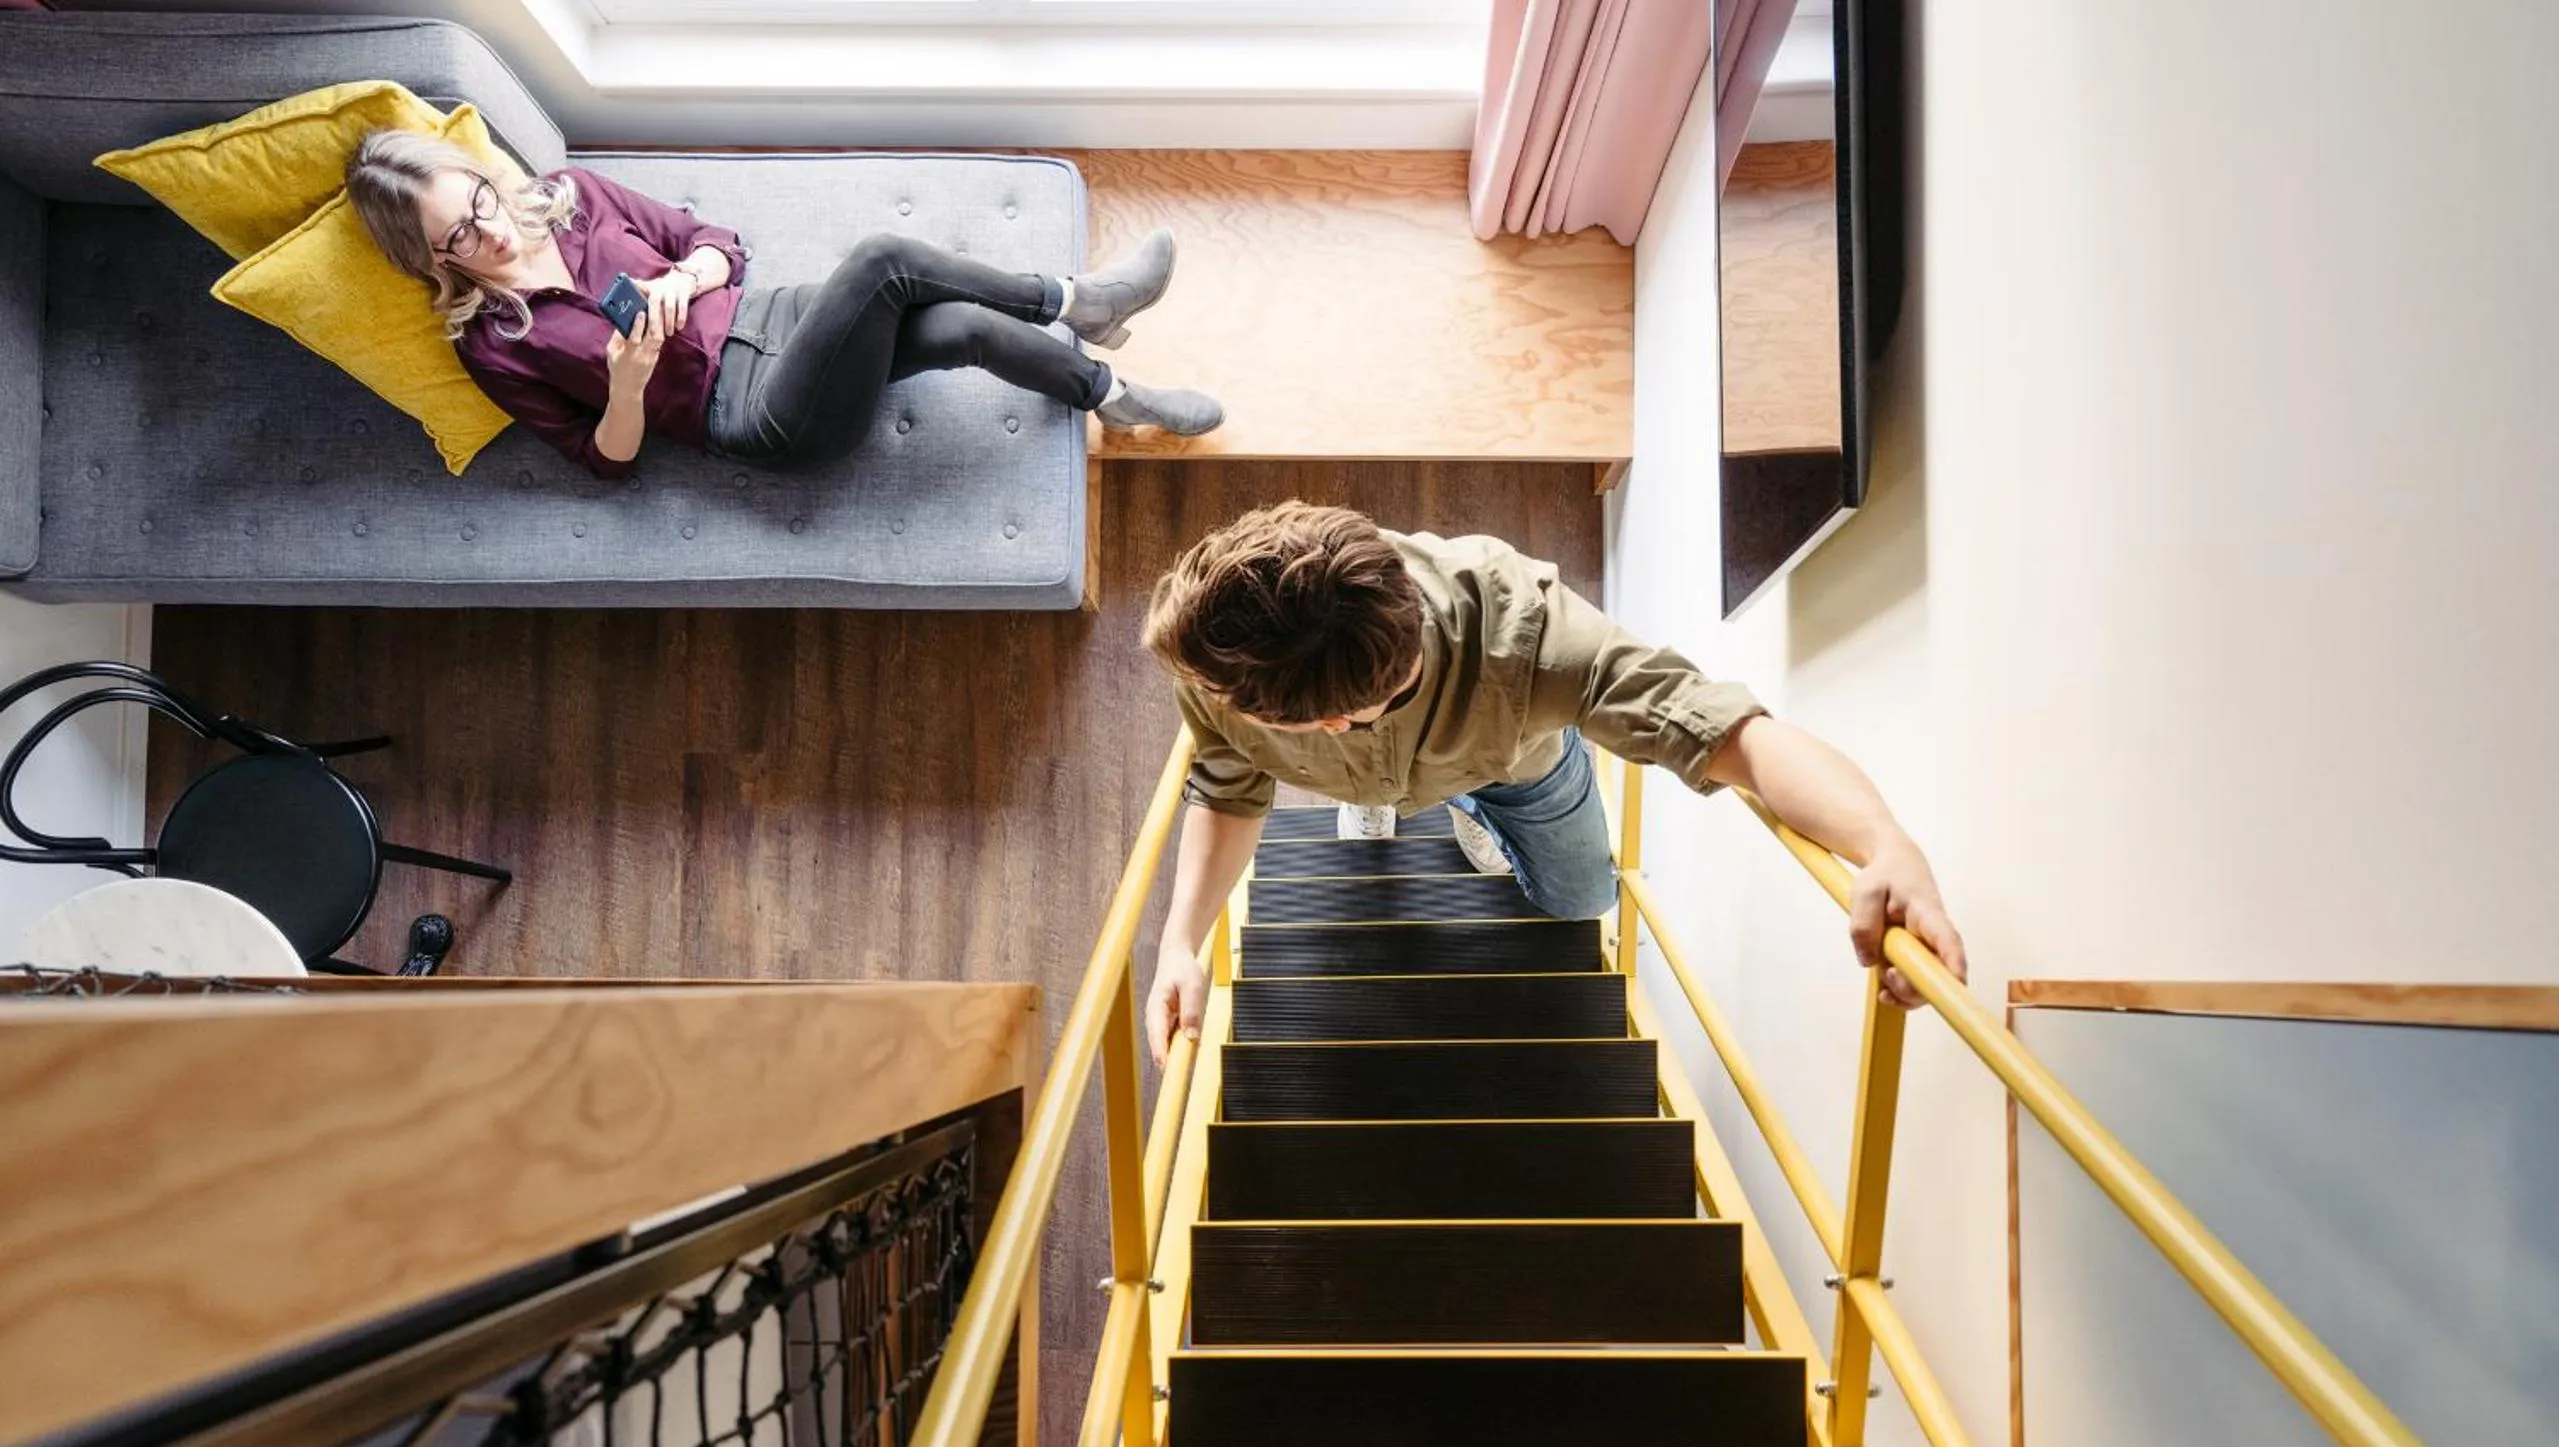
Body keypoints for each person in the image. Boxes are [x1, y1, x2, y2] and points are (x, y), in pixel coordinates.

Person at [1138, 501, 1968, 1062]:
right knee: (1372, 797)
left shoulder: (1533, 643)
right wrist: (1178, 943)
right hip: (1361, 767)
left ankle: (1470, 808)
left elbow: (1736, 738)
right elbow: (1228, 784)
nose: (1205, 706)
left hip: (1514, 769)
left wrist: (1882, 842)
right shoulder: (1227, 655)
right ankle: (1379, 802)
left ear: (1330, 722)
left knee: (1581, 901)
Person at [345, 131, 1222, 479]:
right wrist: (626, 382)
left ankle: (1113, 397)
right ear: (427, 260)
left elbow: (716, 242)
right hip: (757, 414)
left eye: (477, 204)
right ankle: (1081, 298)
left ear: (480, 178)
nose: (487, 234)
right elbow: (602, 464)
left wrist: (681, 281)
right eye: (455, 238)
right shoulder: (494, 345)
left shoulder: (570, 193)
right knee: (883, 257)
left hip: (779, 318)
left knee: (959, 328)